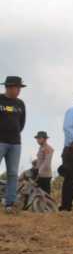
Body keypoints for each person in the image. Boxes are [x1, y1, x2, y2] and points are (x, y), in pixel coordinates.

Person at [0, 76, 26, 213]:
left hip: (15, 143)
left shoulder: (20, 104)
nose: (19, 90)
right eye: (17, 87)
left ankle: (9, 204)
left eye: (20, 88)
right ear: (9, 87)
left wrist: (13, 132)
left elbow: (21, 124)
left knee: (13, 174)